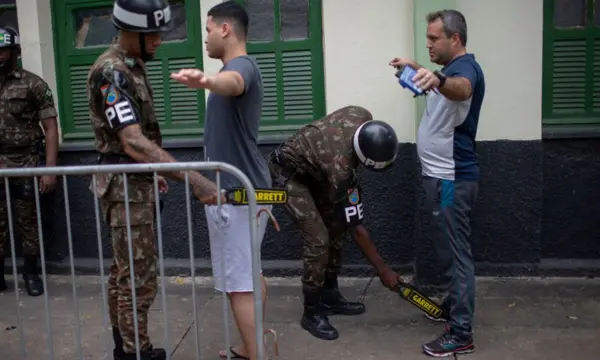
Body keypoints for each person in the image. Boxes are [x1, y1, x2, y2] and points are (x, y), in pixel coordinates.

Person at [87, 1, 223, 359]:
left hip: (133, 181)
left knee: (125, 273)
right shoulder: (112, 72)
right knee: (138, 279)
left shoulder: (131, 66)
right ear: (133, 32)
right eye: (155, 34)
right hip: (124, 187)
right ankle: (136, 352)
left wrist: (155, 172)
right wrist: (193, 178)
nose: (161, 41)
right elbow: (131, 140)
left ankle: (126, 349)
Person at [170, 1, 274, 359]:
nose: (205, 38)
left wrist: (208, 80)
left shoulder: (239, 67)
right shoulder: (239, 67)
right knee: (250, 274)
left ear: (225, 29)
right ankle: (252, 344)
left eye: (208, 29)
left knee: (239, 285)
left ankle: (255, 353)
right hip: (248, 192)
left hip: (237, 196)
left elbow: (234, 83)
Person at [389, 9, 485, 357]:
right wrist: (413, 68)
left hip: (451, 179)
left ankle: (461, 333)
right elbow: (440, 90)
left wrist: (441, 81)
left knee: (456, 255)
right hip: (439, 177)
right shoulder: (446, 71)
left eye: (433, 38)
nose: (428, 43)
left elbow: (461, 90)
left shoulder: (465, 71)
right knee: (448, 252)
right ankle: (455, 305)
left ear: (454, 39)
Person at [267, 105, 402, 341]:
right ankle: (311, 311)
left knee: (337, 228)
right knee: (319, 240)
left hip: (317, 171)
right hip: (290, 174)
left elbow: (346, 219)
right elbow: (357, 226)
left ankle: (329, 295)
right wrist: (383, 270)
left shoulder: (362, 115)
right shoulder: (340, 169)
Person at [0, 26, 59, 304]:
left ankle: (31, 274)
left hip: (26, 160)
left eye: (2, 49)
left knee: (28, 220)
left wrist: (49, 170)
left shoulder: (34, 84)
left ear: (15, 51)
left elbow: (51, 128)